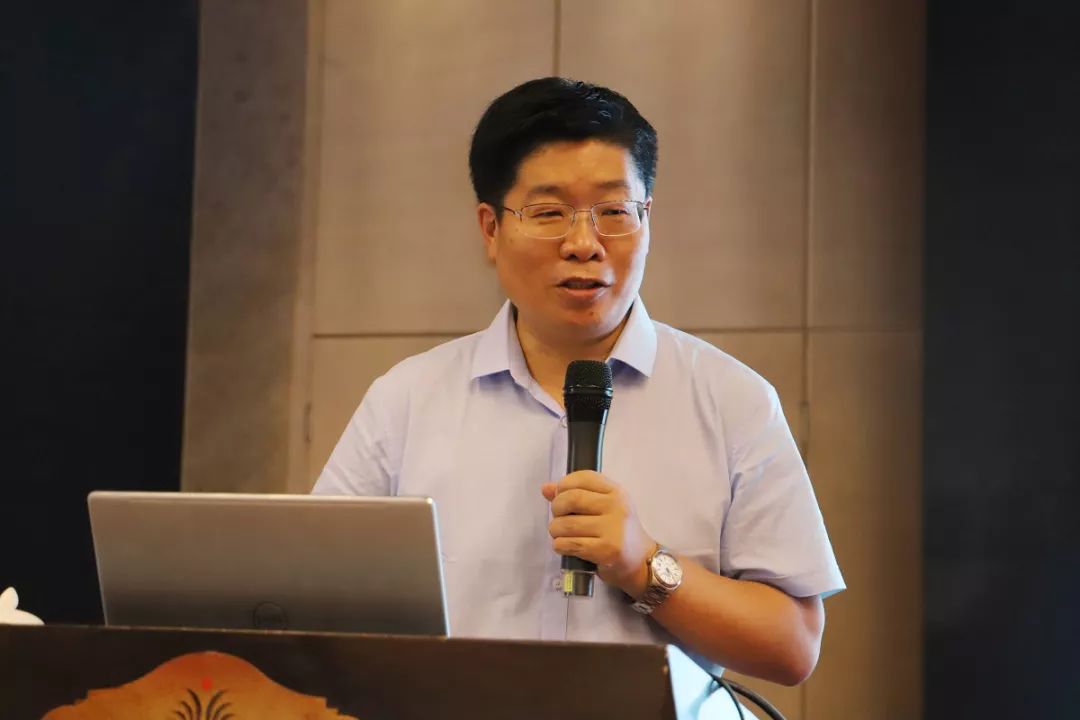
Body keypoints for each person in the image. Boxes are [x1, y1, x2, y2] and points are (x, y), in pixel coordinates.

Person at [313, 77, 844, 685]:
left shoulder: (732, 400)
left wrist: (644, 565)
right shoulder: (406, 401)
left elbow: (792, 646)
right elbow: (312, 597)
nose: (584, 244)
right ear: (490, 229)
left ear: (647, 219)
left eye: (614, 212)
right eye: (548, 213)